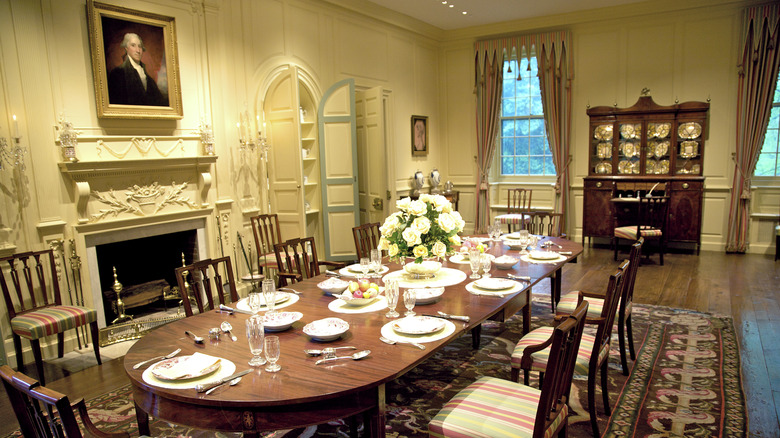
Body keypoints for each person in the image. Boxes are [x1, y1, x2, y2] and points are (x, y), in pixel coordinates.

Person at [107, 33, 168, 106]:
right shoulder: (117, 73)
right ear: (126, 48)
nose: (138, 50)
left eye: (140, 46)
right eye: (133, 45)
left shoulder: (148, 79)